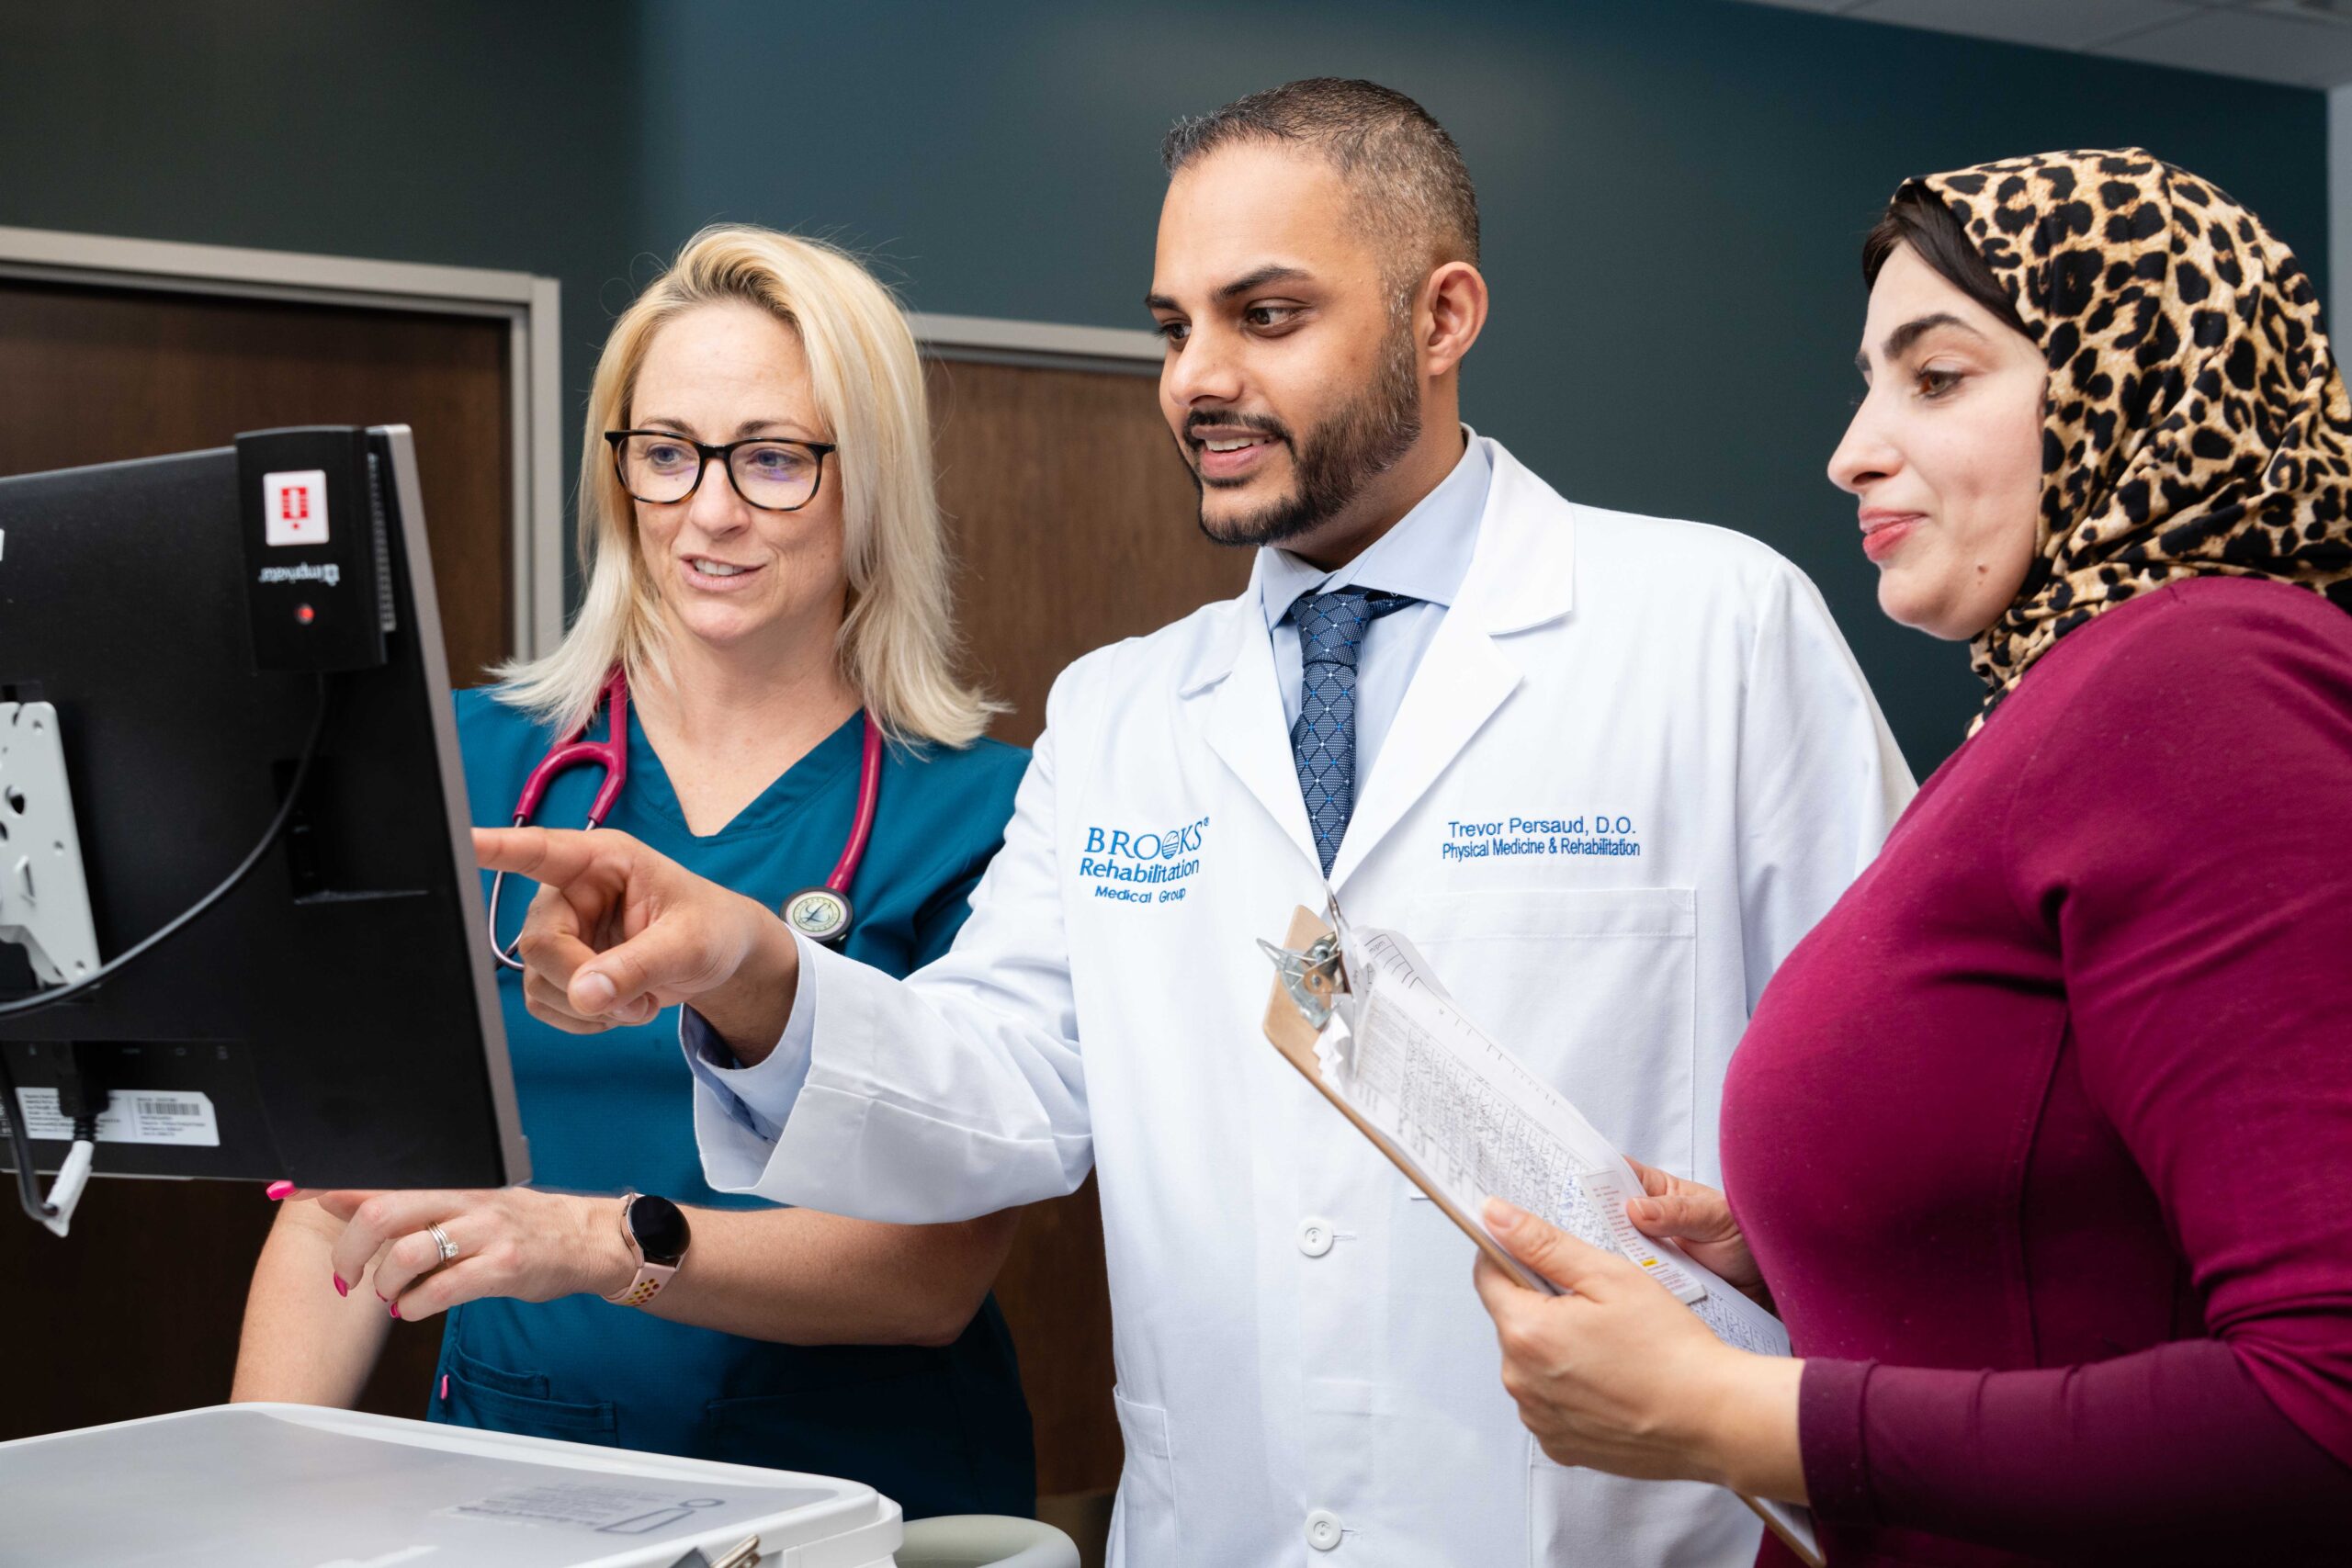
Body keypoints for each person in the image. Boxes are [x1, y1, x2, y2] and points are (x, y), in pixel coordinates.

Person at [480, 81, 1912, 1566]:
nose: (1194, 378)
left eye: (1267, 316)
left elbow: (1904, 1097)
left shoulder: (1709, 628)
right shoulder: (1124, 712)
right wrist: (749, 970)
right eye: (1174, 327)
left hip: (1604, 1532)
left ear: (1444, 316)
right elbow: (999, 1094)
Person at [1472, 150, 2352, 1565]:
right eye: (1871, 384)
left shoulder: (2204, 680)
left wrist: (1738, 1416)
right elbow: (2085, 1228)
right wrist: (1816, 1249)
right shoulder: (2057, 710)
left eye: (1936, 379)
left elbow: (2327, 1403)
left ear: (2142, 382)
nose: (1854, 450)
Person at [232, 225, 1035, 1521]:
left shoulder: (989, 817)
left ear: (871, 480)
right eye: (664, 454)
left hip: (855, 1498)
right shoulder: (458, 766)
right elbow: (337, 1210)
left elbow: (925, 1278)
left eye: (773, 459)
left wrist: (589, 1244)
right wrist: (251, 1505)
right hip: (511, 1486)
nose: (708, 511)